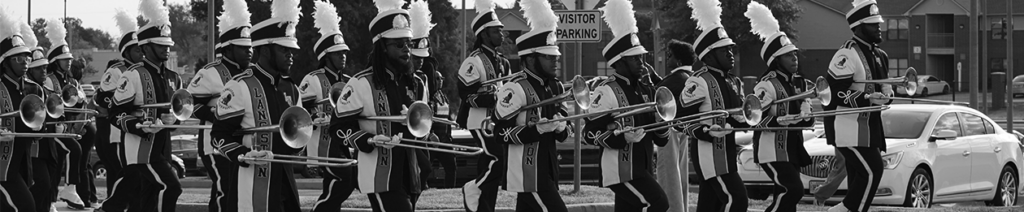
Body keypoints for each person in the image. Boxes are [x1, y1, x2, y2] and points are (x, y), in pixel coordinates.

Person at [210, 0, 304, 211]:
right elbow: (218, 136)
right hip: (251, 181)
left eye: (291, 50)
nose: (291, 55)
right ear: (265, 50)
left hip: (286, 183)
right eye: (284, 50)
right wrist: (243, 154)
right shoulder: (239, 85)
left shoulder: (292, 89)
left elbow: (299, 138)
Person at [333, 0, 425, 210]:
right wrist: (369, 139)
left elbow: (422, 128)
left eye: (409, 44)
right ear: (383, 47)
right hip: (379, 174)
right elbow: (337, 126)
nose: (407, 50)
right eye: (399, 45)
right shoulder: (360, 83)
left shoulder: (416, 83)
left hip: (410, 173)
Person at [579, 0, 670, 211]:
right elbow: (589, 134)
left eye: (642, 57)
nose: (642, 63)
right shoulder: (606, 90)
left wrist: (661, 121)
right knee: (659, 203)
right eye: (635, 59)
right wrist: (620, 137)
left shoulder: (647, 89)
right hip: (620, 170)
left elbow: (661, 140)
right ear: (619, 62)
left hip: (643, 167)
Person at [98, 0, 185, 211]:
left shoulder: (174, 78)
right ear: (145, 47)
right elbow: (114, 113)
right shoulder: (133, 74)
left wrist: (172, 120)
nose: (166, 49)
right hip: (141, 151)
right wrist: (138, 124)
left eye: (167, 45)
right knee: (171, 187)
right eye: (160, 45)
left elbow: (176, 112)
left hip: (163, 147)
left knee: (149, 197)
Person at [493, 0, 569, 211]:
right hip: (529, 173)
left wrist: (562, 127)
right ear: (530, 59)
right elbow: (500, 133)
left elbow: (564, 131)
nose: (555, 61)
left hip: (549, 170)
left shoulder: (556, 86)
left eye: (555, 56)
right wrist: (534, 130)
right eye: (548, 57)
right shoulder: (514, 89)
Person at [678, 0, 750, 211]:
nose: (730, 54)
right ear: (708, 56)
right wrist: (705, 131)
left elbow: (737, 117)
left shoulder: (733, 81)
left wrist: (744, 121)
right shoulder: (698, 81)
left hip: (726, 153)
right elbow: (681, 120)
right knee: (737, 199)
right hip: (708, 156)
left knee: (711, 206)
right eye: (723, 51)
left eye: (730, 49)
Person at [745, 2, 815, 211]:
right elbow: (754, 121)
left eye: (794, 54)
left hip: (792, 150)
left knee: (787, 202)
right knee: (793, 191)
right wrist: (780, 121)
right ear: (776, 60)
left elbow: (809, 121)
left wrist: (806, 114)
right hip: (772, 152)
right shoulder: (766, 84)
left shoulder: (799, 83)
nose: (794, 58)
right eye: (788, 55)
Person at [825, 0, 891, 211]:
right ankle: (843, 210)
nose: (878, 26)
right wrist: (867, 98)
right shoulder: (846, 54)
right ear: (859, 27)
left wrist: (887, 96)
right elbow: (833, 93)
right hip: (849, 129)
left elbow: (884, 89)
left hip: (871, 130)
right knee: (873, 171)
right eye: (873, 24)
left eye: (878, 22)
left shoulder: (881, 55)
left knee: (858, 178)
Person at [188, 0, 252, 211]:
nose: (249, 52)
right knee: (225, 190)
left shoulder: (251, 74)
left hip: (240, 142)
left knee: (234, 192)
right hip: (213, 143)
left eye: (250, 48)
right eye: (243, 48)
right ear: (229, 49)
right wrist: (218, 114)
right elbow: (191, 105)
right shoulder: (209, 72)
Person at [458, 0, 512, 210]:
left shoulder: (503, 62)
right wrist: (493, 98)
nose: (502, 35)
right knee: (498, 159)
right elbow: (467, 96)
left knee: (488, 164)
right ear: (484, 34)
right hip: (480, 121)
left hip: (497, 122)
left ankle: (483, 206)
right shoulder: (473, 62)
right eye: (497, 31)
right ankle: (473, 187)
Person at [304, 1, 356, 211]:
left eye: (344, 52)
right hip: (323, 146)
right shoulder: (312, 79)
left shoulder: (352, 81)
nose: (343, 56)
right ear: (325, 56)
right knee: (344, 182)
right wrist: (315, 119)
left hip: (344, 145)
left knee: (334, 189)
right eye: (337, 53)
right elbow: (300, 113)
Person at [94, 9, 147, 211]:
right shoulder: (116, 70)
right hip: (116, 134)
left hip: (137, 132)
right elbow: (105, 98)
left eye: (142, 49)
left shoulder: (145, 72)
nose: (141, 53)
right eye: (136, 50)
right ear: (125, 52)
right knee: (126, 175)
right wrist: (133, 106)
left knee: (137, 180)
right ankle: (109, 206)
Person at [37, 18, 90, 209]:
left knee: (57, 164)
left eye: (69, 59)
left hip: (66, 128)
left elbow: (81, 102)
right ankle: (69, 188)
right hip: (52, 128)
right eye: (64, 60)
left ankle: (52, 201)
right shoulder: (49, 80)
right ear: (55, 61)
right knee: (72, 150)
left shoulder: (73, 81)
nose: (69, 62)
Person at [408, 0, 456, 190]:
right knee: (424, 168)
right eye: (416, 57)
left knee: (426, 168)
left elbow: (426, 108)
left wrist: (430, 132)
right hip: (406, 134)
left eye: (423, 57)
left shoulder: (422, 80)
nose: (421, 61)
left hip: (424, 134)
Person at [0, 13, 39, 211]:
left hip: (22, 162)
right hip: (2, 167)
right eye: (18, 58)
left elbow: (35, 128)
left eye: (26, 57)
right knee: (26, 206)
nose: (25, 62)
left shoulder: (33, 89)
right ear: (5, 62)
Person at [654, 39, 697, 212]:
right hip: (684, 130)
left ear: (678, 61)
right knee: (681, 174)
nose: (667, 59)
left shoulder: (671, 81)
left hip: (668, 130)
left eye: (670, 56)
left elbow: (659, 94)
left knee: (668, 174)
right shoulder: (691, 78)